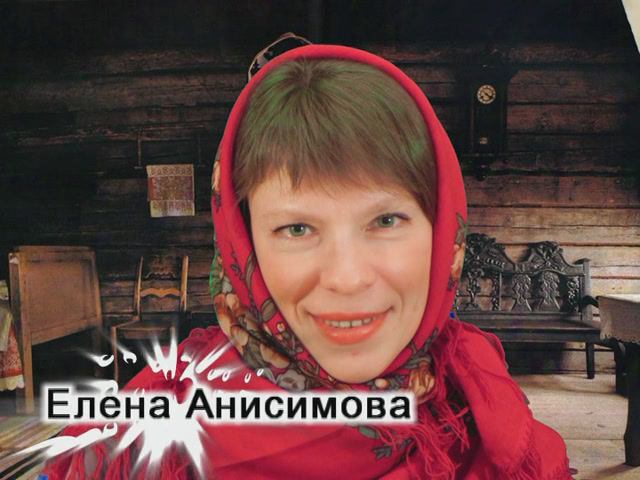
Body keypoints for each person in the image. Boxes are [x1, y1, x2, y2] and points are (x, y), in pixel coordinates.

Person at [44, 39, 573, 479]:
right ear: (243, 245)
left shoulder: (484, 412)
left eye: (387, 220)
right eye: (297, 228)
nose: (347, 277)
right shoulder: (147, 435)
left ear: (442, 232)